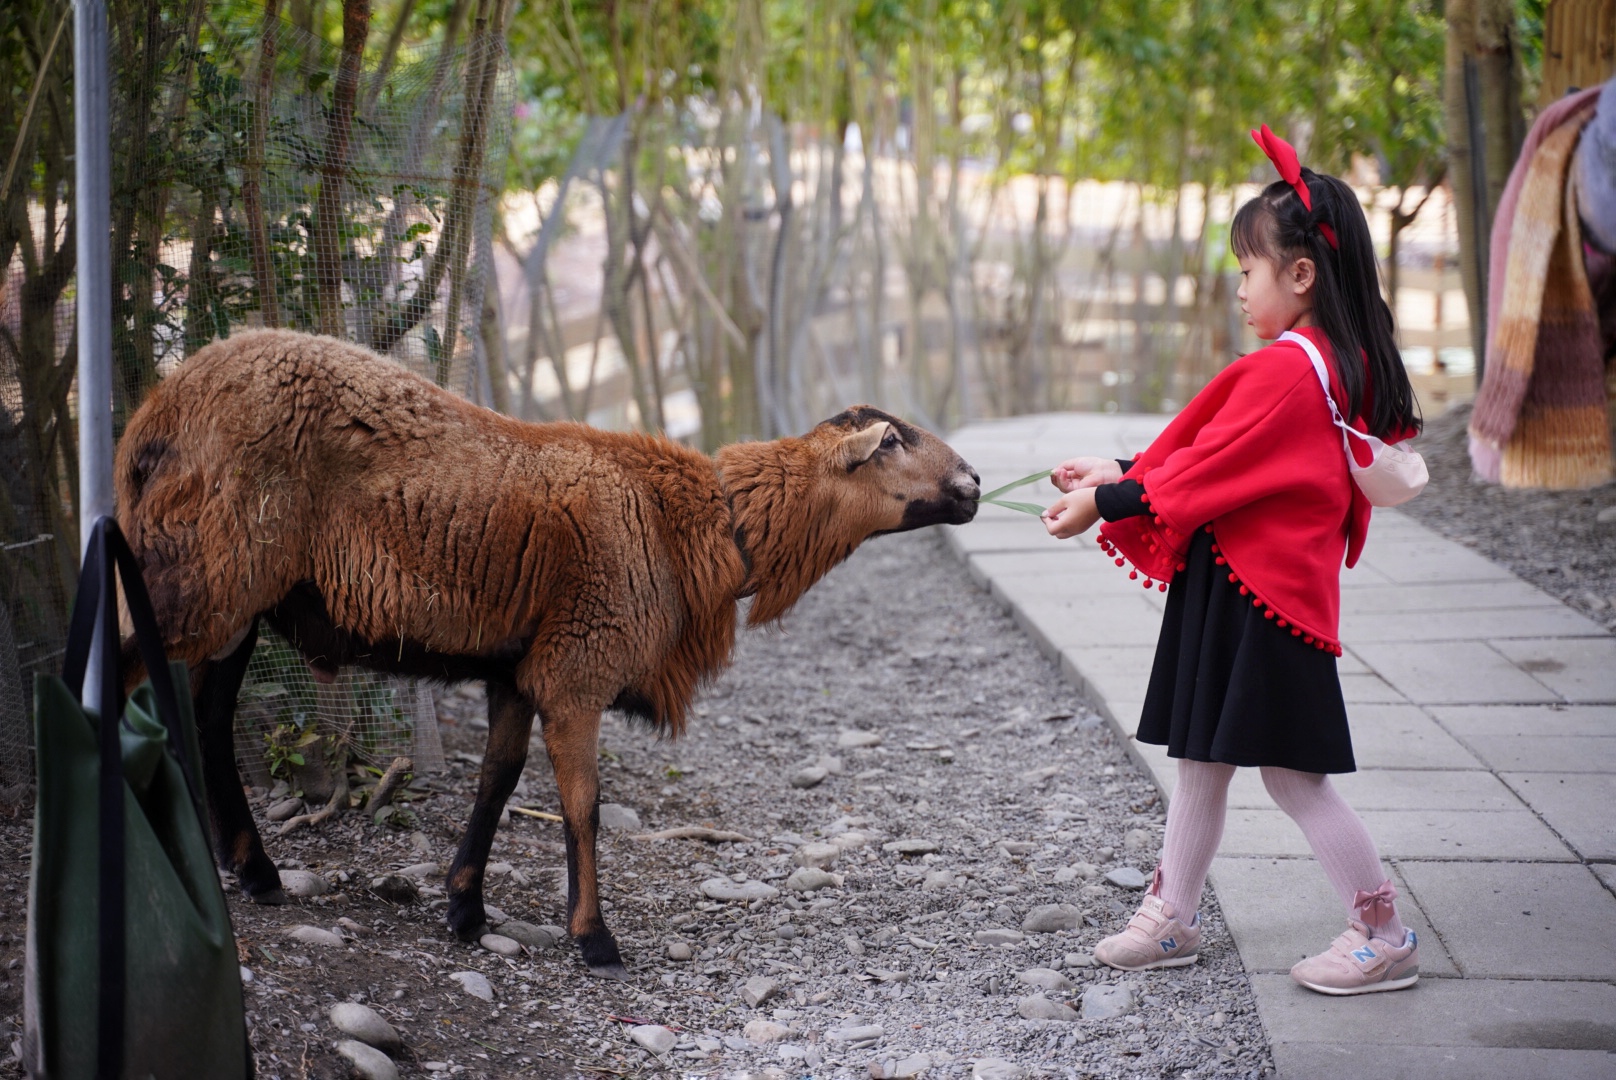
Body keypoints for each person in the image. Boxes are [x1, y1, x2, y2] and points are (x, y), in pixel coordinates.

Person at [1041, 125, 1423, 996]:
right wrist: (1124, 471)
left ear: (1300, 275)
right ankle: (1172, 915)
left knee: (1294, 777)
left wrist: (1107, 500)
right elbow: (1215, 459)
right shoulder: (1316, 367)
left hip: (1268, 603)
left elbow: (1212, 466)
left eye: (1248, 269)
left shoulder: (1293, 371)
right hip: (1238, 589)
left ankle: (1385, 930)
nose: (1239, 287)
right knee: (1201, 762)